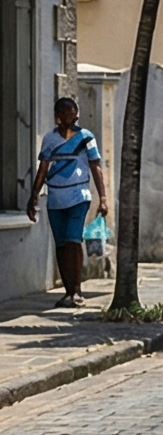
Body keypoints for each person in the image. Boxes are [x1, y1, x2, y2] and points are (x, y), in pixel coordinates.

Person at [29, 95, 107, 308]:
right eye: (64, 113)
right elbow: (43, 169)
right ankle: (68, 291)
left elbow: (95, 167)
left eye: (72, 113)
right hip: (55, 198)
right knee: (61, 245)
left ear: (77, 114)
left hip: (78, 196)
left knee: (73, 240)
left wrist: (103, 198)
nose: (68, 117)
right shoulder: (50, 139)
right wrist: (33, 196)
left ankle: (77, 290)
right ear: (57, 115)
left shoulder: (86, 137)